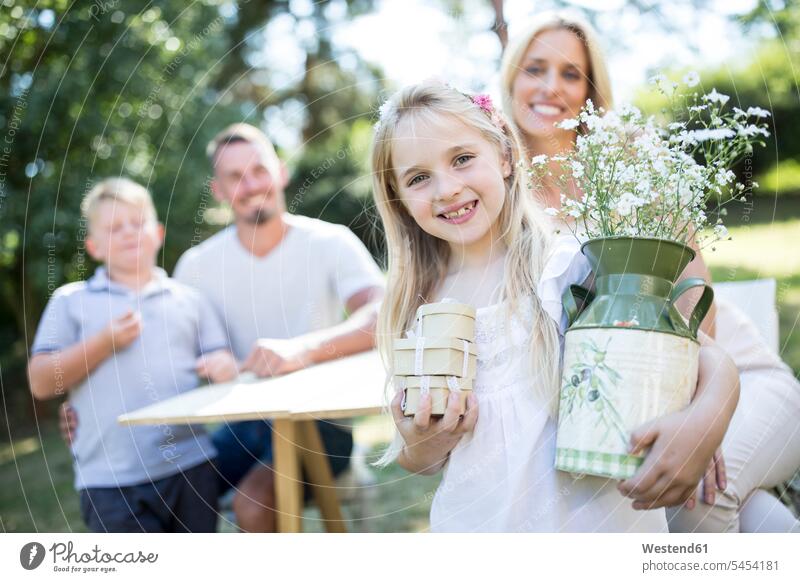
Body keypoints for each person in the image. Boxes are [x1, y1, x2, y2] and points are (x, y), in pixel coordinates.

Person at [370, 80, 740, 532]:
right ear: (399, 199)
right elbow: (423, 461)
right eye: (418, 177)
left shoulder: (570, 267)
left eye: (463, 159)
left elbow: (713, 360)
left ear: (505, 156)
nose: (446, 188)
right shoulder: (419, 308)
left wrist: (703, 423)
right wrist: (422, 440)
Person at [499, 11, 800, 532]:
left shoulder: (628, 160)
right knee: (753, 519)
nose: (552, 87)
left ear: (592, 91)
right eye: (535, 68)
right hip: (626, 399)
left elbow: (693, 297)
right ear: (510, 79)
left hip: (730, 378)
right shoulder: (497, 185)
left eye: (572, 74)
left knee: (697, 496)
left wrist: (699, 418)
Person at [172, 123, 385, 532]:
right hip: (243, 424)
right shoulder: (196, 266)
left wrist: (302, 350)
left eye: (259, 169)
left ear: (281, 172)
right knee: (176, 494)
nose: (251, 184)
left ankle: (349, 472)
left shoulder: (329, 241)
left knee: (252, 505)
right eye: (235, 176)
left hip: (322, 421)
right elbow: (168, 350)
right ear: (218, 190)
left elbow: (381, 316)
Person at [28, 178, 238, 532]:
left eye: (137, 222)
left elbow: (225, 360)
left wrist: (222, 365)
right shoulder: (71, 301)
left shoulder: (189, 300)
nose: (128, 233)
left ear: (157, 233)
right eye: (113, 228)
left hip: (191, 465)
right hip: (109, 479)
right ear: (94, 247)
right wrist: (103, 342)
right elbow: (41, 380)